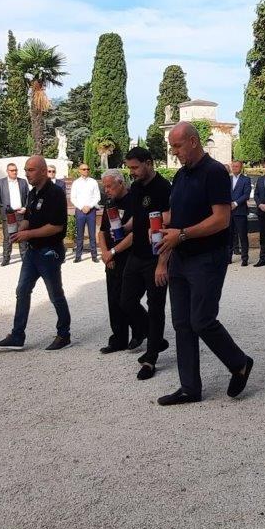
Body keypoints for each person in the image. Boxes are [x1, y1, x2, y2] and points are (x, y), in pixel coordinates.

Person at [154, 122, 252, 405]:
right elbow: (177, 216)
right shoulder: (180, 175)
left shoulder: (215, 172)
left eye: (177, 146)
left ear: (193, 142)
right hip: (180, 257)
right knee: (182, 323)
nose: (174, 152)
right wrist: (162, 233)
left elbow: (221, 219)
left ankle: (240, 363)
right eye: (172, 147)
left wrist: (182, 234)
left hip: (207, 257)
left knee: (202, 320)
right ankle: (189, 388)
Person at [0, 155, 71, 351]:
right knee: (22, 290)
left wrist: (27, 234)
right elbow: (28, 217)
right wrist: (20, 230)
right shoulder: (32, 192)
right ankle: (17, 335)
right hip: (33, 251)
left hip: (49, 251)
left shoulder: (55, 193)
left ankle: (64, 334)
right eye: (26, 170)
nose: (26, 173)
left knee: (55, 295)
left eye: (31, 170)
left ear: (43, 171)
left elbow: (56, 226)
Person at [121, 146, 172, 379]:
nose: (131, 172)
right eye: (129, 168)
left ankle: (150, 359)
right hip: (136, 254)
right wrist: (124, 228)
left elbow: (169, 221)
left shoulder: (163, 188)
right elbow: (137, 216)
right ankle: (156, 339)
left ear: (148, 163)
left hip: (156, 256)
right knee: (126, 302)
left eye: (135, 167)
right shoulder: (135, 187)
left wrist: (162, 263)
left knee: (155, 307)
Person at [97, 169, 140, 354]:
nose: (106, 190)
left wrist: (113, 252)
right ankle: (118, 338)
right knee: (113, 300)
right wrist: (105, 253)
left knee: (127, 299)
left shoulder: (134, 200)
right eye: (104, 187)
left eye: (109, 186)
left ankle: (139, 331)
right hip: (112, 257)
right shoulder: (110, 203)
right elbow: (102, 232)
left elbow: (134, 234)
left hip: (128, 256)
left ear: (121, 183)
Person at [0, 162, 29, 266]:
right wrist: (7, 209)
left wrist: (25, 208)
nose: (14, 172)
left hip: (21, 214)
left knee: (22, 237)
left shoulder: (23, 182)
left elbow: (28, 197)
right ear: (7, 171)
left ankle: (25, 258)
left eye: (16, 170)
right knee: (8, 237)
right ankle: (6, 258)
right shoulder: (0, 182)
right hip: (8, 215)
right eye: (12, 170)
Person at [71, 163, 101, 263]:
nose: (86, 171)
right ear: (79, 170)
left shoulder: (93, 182)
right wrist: (81, 207)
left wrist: (89, 206)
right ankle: (78, 256)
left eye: (88, 169)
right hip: (80, 211)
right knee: (80, 234)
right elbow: (73, 198)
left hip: (91, 210)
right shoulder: (76, 183)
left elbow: (97, 197)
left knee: (92, 234)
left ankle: (94, 256)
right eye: (84, 169)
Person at [229, 160, 251, 266]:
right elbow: (223, 192)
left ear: (241, 167)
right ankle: (228, 258)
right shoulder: (228, 179)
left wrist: (235, 203)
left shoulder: (246, 179)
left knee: (243, 236)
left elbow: (246, 194)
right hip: (229, 212)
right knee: (229, 236)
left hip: (240, 212)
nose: (234, 168)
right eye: (233, 166)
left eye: (236, 166)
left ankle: (245, 258)